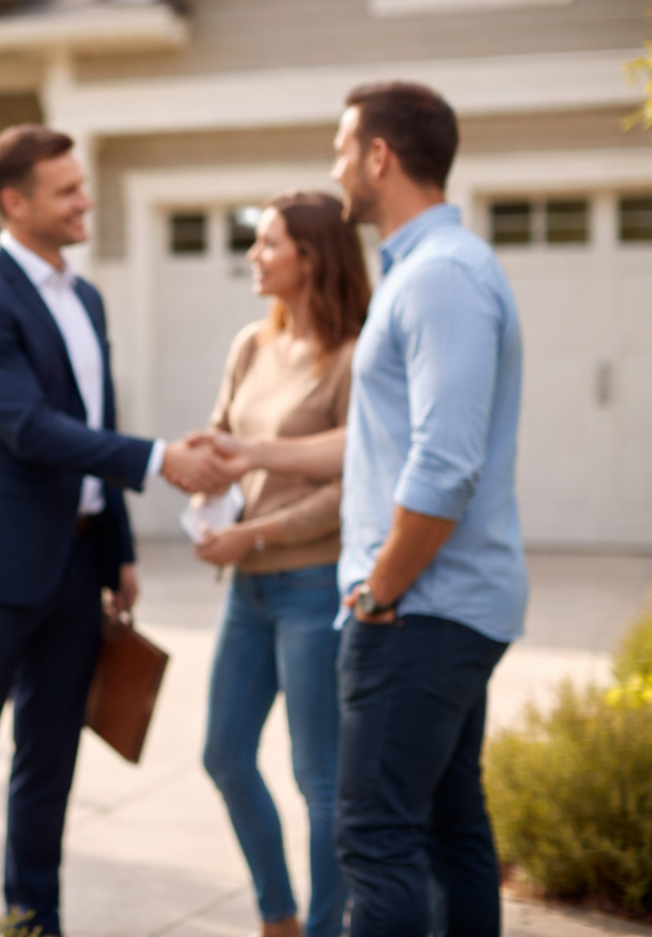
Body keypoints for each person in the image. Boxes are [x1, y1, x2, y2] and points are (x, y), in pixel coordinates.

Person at [198, 82, 528, 937]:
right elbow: (381, 445)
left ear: (380, 156)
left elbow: (443, 468)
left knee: (375, 842)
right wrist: (257, 454)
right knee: (452, 830)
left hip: (417, 614)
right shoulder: (424, 273)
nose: (337, 164)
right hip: (435, 610)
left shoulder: (441, 279)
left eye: (344, 147)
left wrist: (380, 590)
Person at [0, 124, 229, 936]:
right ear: (15, 203)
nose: (87, 201)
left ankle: (34, 924)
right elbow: (30, 429)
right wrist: (159, 459)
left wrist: (117, 552)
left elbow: (93, 423)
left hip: (79, 569)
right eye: (68, 191)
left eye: (82, 186)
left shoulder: (85, 298)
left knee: (49, 766)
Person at [194, 191, 369, 937]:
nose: (254, 257)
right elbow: (221, 436)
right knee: (225, 756)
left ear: (313, 257)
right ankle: (279, 915)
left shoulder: (354, 358)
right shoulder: (250, 345)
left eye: (269, 244)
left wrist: (257, 536)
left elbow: (353, 483)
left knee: (319, 777)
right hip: (248, 592)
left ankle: (325, 929)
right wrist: (198, 473)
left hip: (310, 585)